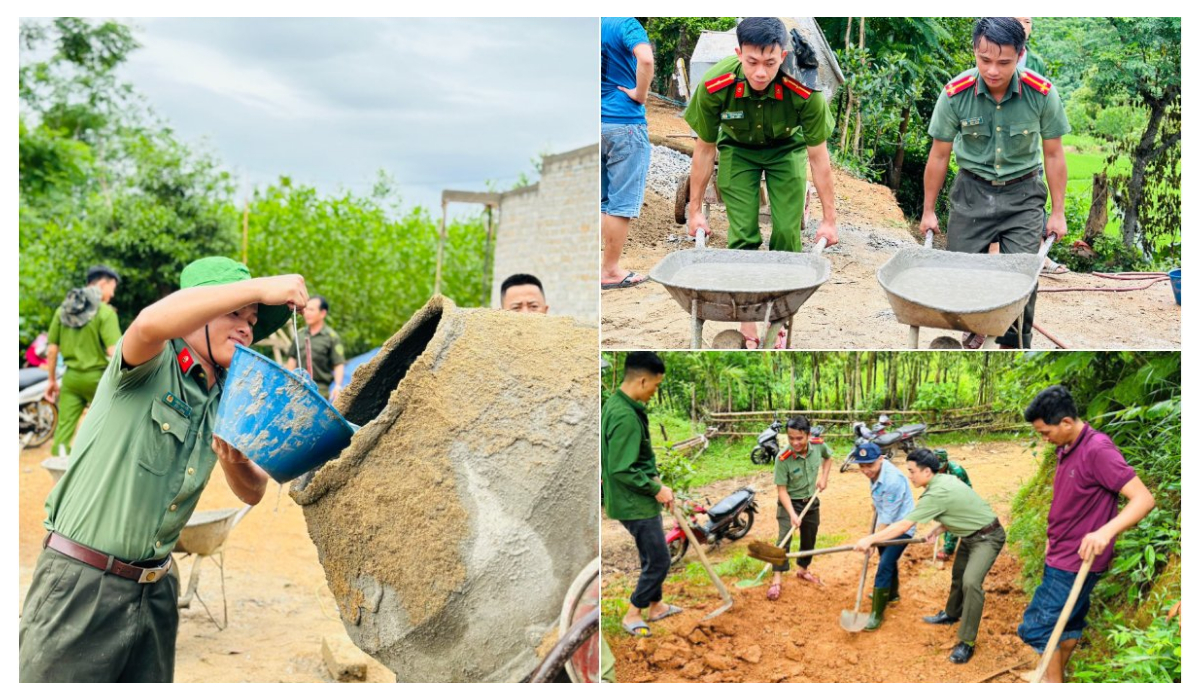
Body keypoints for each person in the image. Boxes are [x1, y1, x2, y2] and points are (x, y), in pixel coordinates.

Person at [19, 257, 307, 682]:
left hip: (156, 589)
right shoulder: (150, 362)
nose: (247, 327)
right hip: (83, 583)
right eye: (234, 313)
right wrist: (261, 288)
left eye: (252, 319)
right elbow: (150, 324)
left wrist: (237, 461)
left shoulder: (226, 393)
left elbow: (252, 492)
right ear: (196, 310)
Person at [683, 17, 839, 348]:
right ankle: (748, 322)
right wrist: (695, 209)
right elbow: (704, 148)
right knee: (742, 234)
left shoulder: (805, 90)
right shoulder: (715, 86)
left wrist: (829, 219)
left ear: (783, 56)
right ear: (739, 53)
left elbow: (819, 159)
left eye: (770, 63)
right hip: (738, 151)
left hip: (786, 151)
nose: (760, 73)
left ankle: (779, 318)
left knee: (785, 232)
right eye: (752, 62)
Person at [920, 17, 1069, 349]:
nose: (992, 70)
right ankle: (973, 328)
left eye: (1003, 62)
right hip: (971, 193)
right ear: (974, 51)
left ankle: (1015, 343)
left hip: (1023, 195)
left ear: (1020, 54)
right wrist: (928, 211)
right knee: (961, 273)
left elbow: (1055, 155)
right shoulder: (955, 94)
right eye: (984, 60)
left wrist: (1057, 212)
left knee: (1022, 277)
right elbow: (940, 155)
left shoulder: (1041, 94)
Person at [1017, 386, 1156, 683]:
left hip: (1076, 560)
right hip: (1060, 553)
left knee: (1039, 626)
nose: (1044, 439)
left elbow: (1143, 499)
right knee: (1067, 625)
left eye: (1045, 432)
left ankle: (1051, 683)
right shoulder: (1066, 447)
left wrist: (1105, 531)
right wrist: (1050, 539)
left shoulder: (1098, 450)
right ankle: (1052, 675)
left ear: (1066, 422)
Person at [855, 447, 1005, 664]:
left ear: (927, 472)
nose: (909, 475)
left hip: (988, 537)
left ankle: (967, 641)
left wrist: (870, 539)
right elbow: (961, 507)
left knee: (970, 583)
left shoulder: (935, 493)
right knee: (958, 576)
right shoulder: (943, 481)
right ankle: (952, 613)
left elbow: (904, 524)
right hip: (970, 534)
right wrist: (940, 528)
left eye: (912, 471)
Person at [601, 351, 679, 636]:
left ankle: (656, 605)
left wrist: (655, 478)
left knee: (651, 554)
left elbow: (633, 458)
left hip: (636, 498)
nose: (655, 392)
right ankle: (633, 613)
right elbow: (622, 468)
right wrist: (656, 488)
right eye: (656, 386)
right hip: (634, 502)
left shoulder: (619, 405)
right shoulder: (625, 417)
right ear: (643, 380)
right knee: (659, 560)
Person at [45, 265, 123, 456]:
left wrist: (51, 380)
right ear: (103, 283)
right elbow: (115, 351)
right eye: (112, 288)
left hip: (71, 379)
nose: (112, 294)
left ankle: (60, 470)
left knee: (63, 430)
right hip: (98, 379)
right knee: (111, 425)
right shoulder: (105, 312)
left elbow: (52, 350)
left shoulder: (63, 311)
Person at [600, 16, 653, 290]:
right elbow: (645, 59)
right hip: (623, 122)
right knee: (620, 204)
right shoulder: (625, 23)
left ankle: (600, 266)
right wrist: (640, 94)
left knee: (603, 201)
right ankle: (609, 270)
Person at [767, 415, 833, 600]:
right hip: (789, 502)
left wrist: (824, 478)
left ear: (808, 435)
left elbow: (828, 459)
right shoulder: (783, 458)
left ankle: (803, 569)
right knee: (783, 540)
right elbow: (782, 491)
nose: (795, 442)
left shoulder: (818, 445)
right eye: (791, 438)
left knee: (809, 537)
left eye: (799, 438)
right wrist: (792, 515)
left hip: (810, 501)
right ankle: (777, 579)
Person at [851, 442, 915, 631]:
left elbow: (888, 519)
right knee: (887, 559)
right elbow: (882, 502)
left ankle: (876, 614)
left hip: (901, 527)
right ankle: (892, 594)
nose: (866, 470)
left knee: (884, 565)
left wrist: (871, 540)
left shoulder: (892, 480)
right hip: (886, 522)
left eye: (869, 465)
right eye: (862, 466)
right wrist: (876, 504)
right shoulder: (876, 472)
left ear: (881, 459)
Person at [285, 294, 346, 401]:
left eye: (311, 310)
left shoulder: (331, 337)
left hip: (320, 391)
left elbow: (338, 364)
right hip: (299, 388)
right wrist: (288, 382)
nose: (307, 313)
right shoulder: (300, 335)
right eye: (306, 310)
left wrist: (337, 386)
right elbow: (292, 360)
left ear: (322, 313)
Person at [935, 448, 973, 561]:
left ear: (946, 461)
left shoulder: (957, 472)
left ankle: (948, 550)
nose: (939, 469)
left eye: (941, 466)